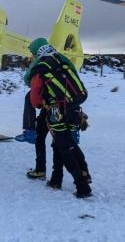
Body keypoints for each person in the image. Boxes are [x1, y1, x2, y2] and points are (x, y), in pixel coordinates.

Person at [26, 38, 92, 198]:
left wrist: (43, 104)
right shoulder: (62, 62)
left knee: (64, 147)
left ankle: (82, 187)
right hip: (73, 108)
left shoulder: (41, 68)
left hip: (56, 111)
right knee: (68, 144)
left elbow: (35, 100)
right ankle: (72, 176)